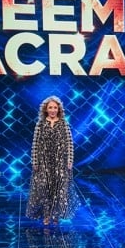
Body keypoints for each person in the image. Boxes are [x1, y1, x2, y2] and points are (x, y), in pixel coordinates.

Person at [26, 96, 80, 225]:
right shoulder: (40, 124)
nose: (53, 110)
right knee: (45, 188)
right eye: (50, 107)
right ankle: (46, 215)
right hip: (43, 161)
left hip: (60, 161)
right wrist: (35, 161)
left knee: (58, 188)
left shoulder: (64, 124)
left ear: (59, 109)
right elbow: (35, 144)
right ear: (45, 109)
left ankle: (56, 215)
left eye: (55, 107)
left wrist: (70, 160)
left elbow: (69, 143)